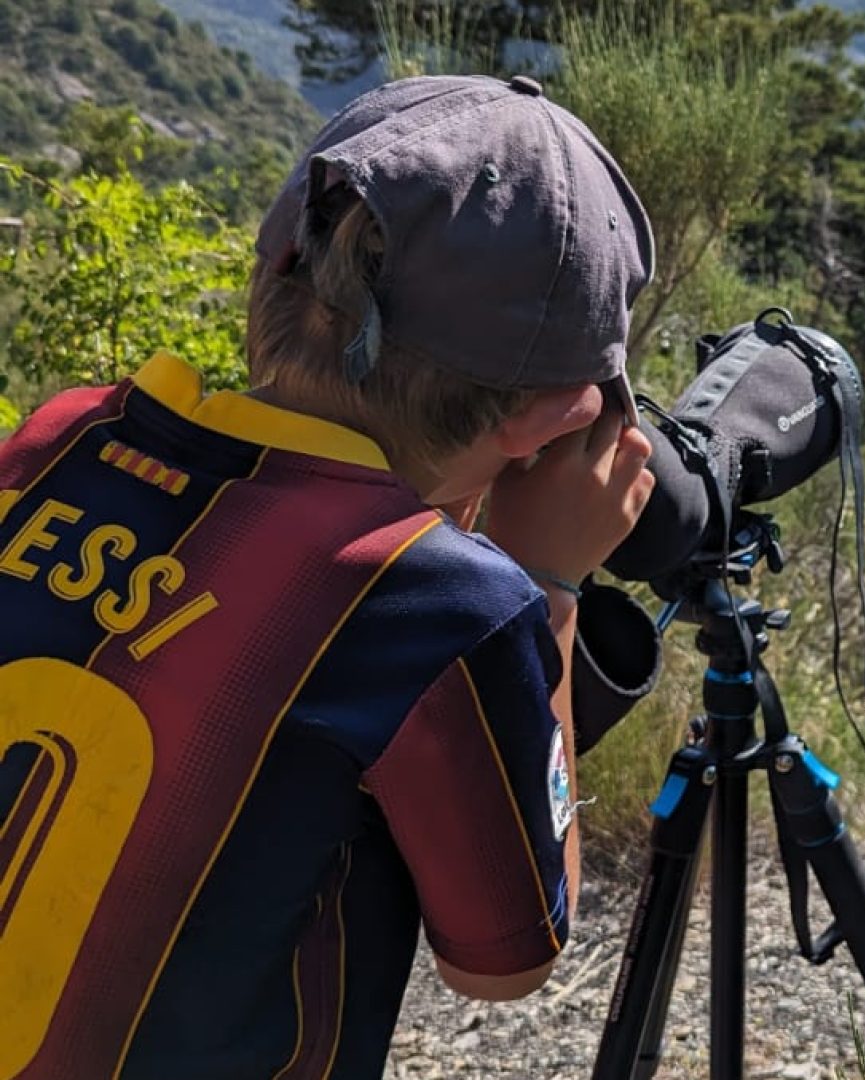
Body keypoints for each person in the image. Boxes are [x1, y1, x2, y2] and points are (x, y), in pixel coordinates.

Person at [0, 75, 657, 1078]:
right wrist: (545, 583)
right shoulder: (438, 605)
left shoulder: (60, 440)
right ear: (558, 417)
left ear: (271, 267)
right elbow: (508, 963)